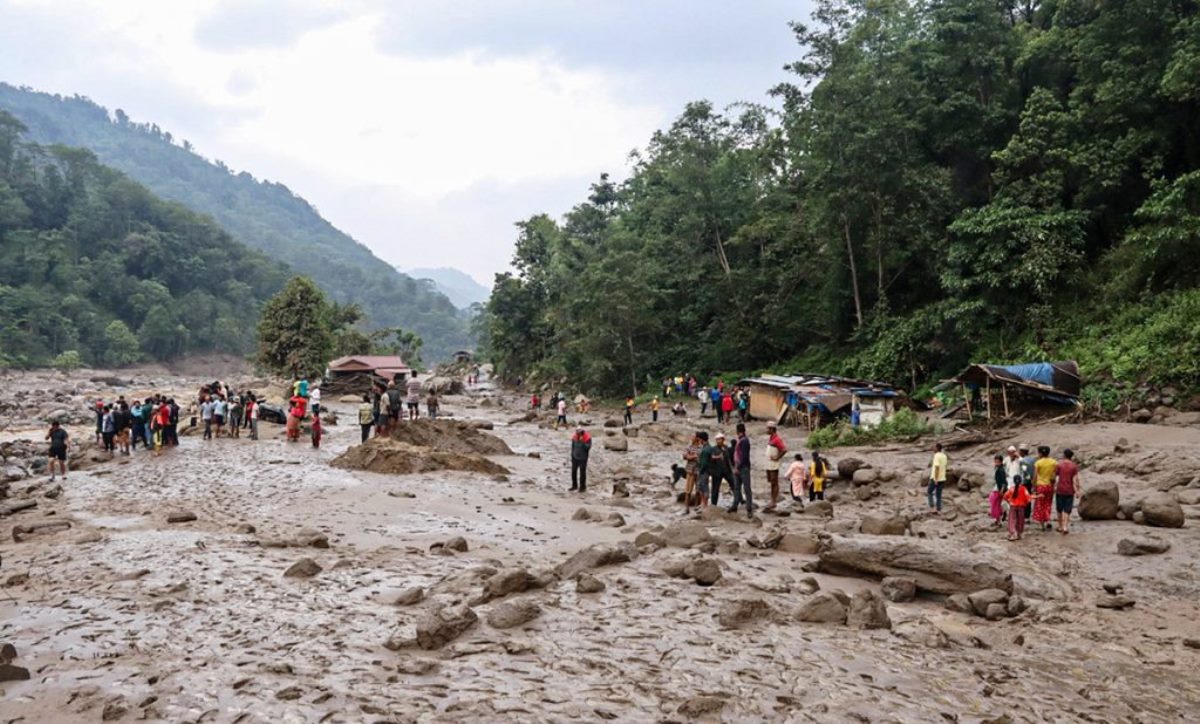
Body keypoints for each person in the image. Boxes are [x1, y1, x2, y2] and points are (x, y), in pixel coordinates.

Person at [728, 423, 755, 518]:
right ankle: (735, 505)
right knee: (737, 488)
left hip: (742, 468)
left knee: (746, 489)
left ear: (737, 431)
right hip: (739, 467)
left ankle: (749, 509)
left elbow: (744, 457)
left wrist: (737, 467)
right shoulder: (742, 440)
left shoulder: (744, 441)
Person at [1056, 448, 1082, 535]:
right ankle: (1065, 526)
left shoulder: (1059, 465)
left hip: (1060, 490)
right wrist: (1077, 491)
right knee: (1067, 509)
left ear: (1064, 455)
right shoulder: (1074, 467)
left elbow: (1055, 476)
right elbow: (1075, 480)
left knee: (1059, 509)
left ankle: (1060, 526)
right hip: (1069, 491)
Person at [1032, 445, 1058, 531]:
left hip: (1040, 485)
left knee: (1040, 504)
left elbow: (1035, 476)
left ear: (1040, 453)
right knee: (1048, 504)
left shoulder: (1038, 463)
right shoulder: (1054, 462)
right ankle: (1048, 520)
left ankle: (1042, 524)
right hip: (1049, 486)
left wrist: (1034, 486)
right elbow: (1054, 475)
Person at [763, 421, 787, 512]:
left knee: (774, 482)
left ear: (772, 429)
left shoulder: (777, 439)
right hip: (769, 463)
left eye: (768, 428)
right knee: (772, 482)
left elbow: (784, 449)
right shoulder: (771, 438)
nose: (766, 430)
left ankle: (774, 500)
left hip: (773, 464)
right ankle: (772, 500)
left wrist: (777, 457)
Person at [708, 432, 736, 507]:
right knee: (715, 489)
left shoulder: (726, 448)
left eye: (719, 439)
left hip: (727, 471)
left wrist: (732, 468)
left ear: (723, 440)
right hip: (716, 472)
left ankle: (738, 501)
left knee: (734, 484)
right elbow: (710, 458)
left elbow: (729, 459)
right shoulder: (713, 449)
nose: (718, 441)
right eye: (717, 440)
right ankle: (714, 504)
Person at [1004, 476, 1031, 541]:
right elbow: (1028, 498)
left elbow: (1005, 496)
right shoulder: (1023, 489)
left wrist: (1009, 502)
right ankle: (1019, 534)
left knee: (1012, 520)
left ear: (1013, 481)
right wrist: (1025, 504)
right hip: (1021, 506)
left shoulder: (1011, 489)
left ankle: (1013, 533)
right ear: (1021, 481)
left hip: (1013, 506)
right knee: (1020, 521)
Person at [682, 432, 702, 513]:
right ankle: (686, 508)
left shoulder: (701, 447)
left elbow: (701, 459)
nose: (691, 438)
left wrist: (691, 456)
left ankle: (696, 507)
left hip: (698, 472)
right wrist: (693, 456)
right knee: (688, 490)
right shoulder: (689, 446)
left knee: (698, 490)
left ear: (697, 438)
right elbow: (684, 456)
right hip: (690, 471)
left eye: (693, 437)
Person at [927, 442, 948, 514]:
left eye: (934, 447)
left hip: (936, 478)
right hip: (942, 478)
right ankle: (938, 509)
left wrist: (936, 478)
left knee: (929, 491)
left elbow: (937, 467)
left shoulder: (936, 456)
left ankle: (932, 507)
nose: (932, 448)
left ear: (937, 448)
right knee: (939, 494)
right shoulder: (944, 456)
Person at [570, 425, 592, 492]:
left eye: (579, 432)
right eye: (577, 432)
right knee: (573, 472)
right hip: (575, 457)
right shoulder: (574, 436)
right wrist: (572, 454)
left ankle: (582, 487)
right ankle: (574, 486)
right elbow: (573, 446)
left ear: (582, 431)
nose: (578, 433)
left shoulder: (587, 437)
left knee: (582, 473)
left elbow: (588, 448)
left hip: (583, 458)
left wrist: (583, 442)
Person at [695, 431, 712, 511]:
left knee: (704, 488)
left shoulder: (705, 450)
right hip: (707, 471)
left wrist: (700, 471)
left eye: (699, 439)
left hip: (704, 471)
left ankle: (704, 504)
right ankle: (703, 504)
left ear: (702, 439)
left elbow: (704, 463)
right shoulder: (709, 447)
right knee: (703, 487)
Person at [989, 454, 1008, 527]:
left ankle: (998, 520)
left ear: (1001, 462)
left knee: (995, 503)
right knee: (995, 503)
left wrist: (1002, 491)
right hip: (997, 487)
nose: (996, 463)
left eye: (997, 462)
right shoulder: (998, 468)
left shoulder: (1001, 470)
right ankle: (1000, 516)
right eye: (995, 461)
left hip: (999, 489)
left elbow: (1003, 481)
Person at [1018, 444, 1036, 520]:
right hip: (1030, 481)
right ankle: (1027, 516)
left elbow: (1025, 472)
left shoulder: (1023, 461)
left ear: (1022, 452)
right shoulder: (1032, 459)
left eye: (1020, 451)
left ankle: (1023, 515)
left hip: (1024, 481)